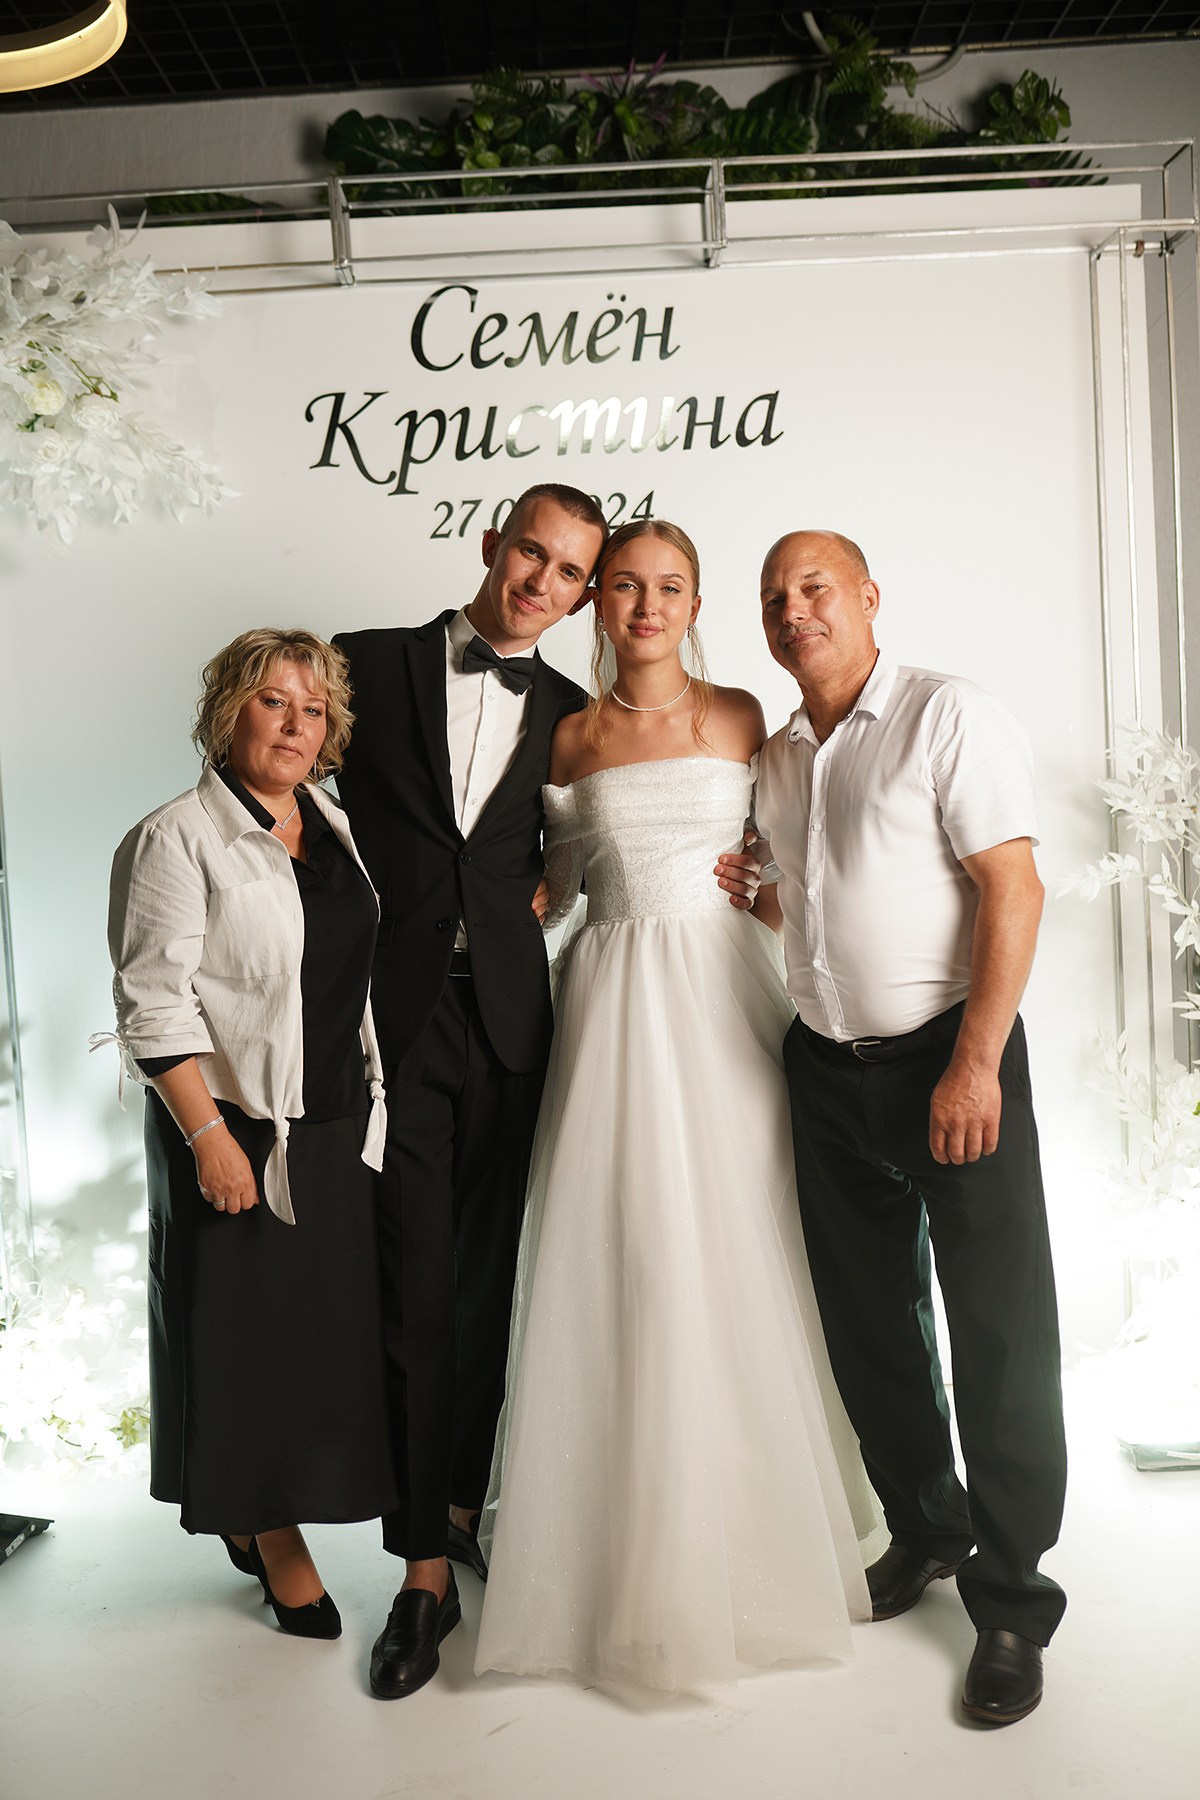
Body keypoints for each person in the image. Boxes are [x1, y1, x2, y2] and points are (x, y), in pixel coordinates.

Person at [473, 519, 882, 1700]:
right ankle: (631, 1549)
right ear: (596, 602)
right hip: (609, 1009)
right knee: (630, 1253)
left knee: (745, 1243)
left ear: (697, 603)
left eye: (670, 587)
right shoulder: (567, 734)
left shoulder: (745, 716)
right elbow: (556, 891)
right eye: (624, 586)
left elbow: (787, 858)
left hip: (721, 1000)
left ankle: (760, 1537)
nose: (647, 606)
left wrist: (769, 888)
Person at [745, 529, 1068, 1726]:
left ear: (869, 597)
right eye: (775, 597)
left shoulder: (946, 714)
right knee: (870, 1324)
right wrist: (757, 896)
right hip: (826, 1070)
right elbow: (816, 900)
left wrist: (976, 1063)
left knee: (998, 1333)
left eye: (816, 588)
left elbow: (1013, 885)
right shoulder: (778, 755)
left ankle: (1015, 1599)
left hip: (951, 1059)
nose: (795, 611)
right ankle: (928, 1528)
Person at [332, 484, 608, 1700]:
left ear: (583, 596)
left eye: (568, 572)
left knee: (491, 1284)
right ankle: (422, 1575)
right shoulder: (361, 662)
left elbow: (577, 850)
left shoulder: (572, 713)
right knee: (413, 1287)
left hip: (511, 1023)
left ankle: (459, 1507)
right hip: (388, 1021)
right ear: (492, 545)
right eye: (530, 553)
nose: (540, 582)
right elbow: (290, 799)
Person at [100, 628, 395, 1640]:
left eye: (313, 710)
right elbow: (152, 1004)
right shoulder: (176, 837)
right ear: (229, 713)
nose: (295, 725)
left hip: (332, 1121)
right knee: (244, 1344)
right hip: (232, 1125)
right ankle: (272, 1534)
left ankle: (253, 1508)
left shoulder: (333, 823)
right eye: (274, 702)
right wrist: (208, 1139)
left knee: (309, 1342)